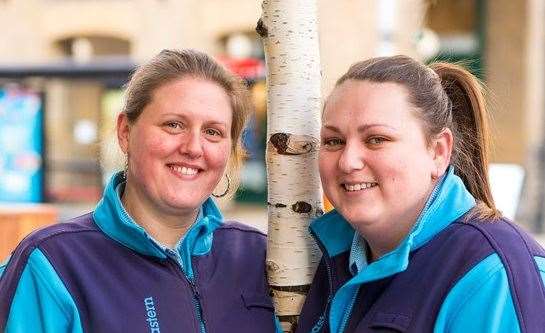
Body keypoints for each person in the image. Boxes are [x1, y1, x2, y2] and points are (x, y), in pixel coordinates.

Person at [0, 49, 277, 332]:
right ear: (125, 132)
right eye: (174, 125)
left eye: (213, 132)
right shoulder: (53, 264)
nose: (193, 148)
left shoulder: (262, 258)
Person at [296, 55, 545, 333]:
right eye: (334, 141)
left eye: (377, 139)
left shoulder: (491, 274)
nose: (347, 161)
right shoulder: (331, 258)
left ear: (438, 152)